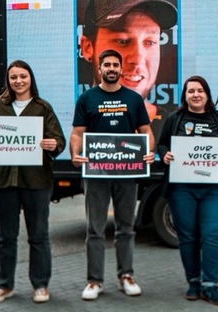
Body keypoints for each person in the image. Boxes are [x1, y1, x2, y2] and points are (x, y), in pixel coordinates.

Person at [0, 60, 66, 304]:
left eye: (23, 76)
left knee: (38, 236)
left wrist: (53, 145)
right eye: (14, 77)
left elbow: (57, 140)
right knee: (5, 237)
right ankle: (4, 286)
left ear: (31, 79)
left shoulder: (42, 108)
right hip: (2, 181)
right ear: (8, 81)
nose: (18, 81)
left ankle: (40, 285)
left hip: (37, 181)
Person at [70, 49, 156, 301]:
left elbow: (146, 131)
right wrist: (76, 154)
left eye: (115, 65)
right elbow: (77, 133)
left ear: (120, 69)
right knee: (95, 229)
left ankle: (126, 276)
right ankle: (94, 280)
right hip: (96, 174)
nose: (111, 68)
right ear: (99, 68)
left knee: (126, 228)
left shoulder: (133, 98)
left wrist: (149, 150)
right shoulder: (87, 98)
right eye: (106, 64)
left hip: (127, 173)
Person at [157, 76, 218, 307]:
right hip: (182, 189)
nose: (195, 94)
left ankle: (210, 285)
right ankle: (193, 282)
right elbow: (162, 145)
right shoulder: (175, 119)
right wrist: (164, 155)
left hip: (214, 189)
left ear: (207, 94)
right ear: (184, 95)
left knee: (213, 237)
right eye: (191, 90)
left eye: (200, 90)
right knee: (188, 237)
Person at [79, 0, 178, 129]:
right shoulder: (66, 123)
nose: (138, 59)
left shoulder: (178, 128)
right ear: (87, 48)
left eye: (150, 42)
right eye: (123, 41)